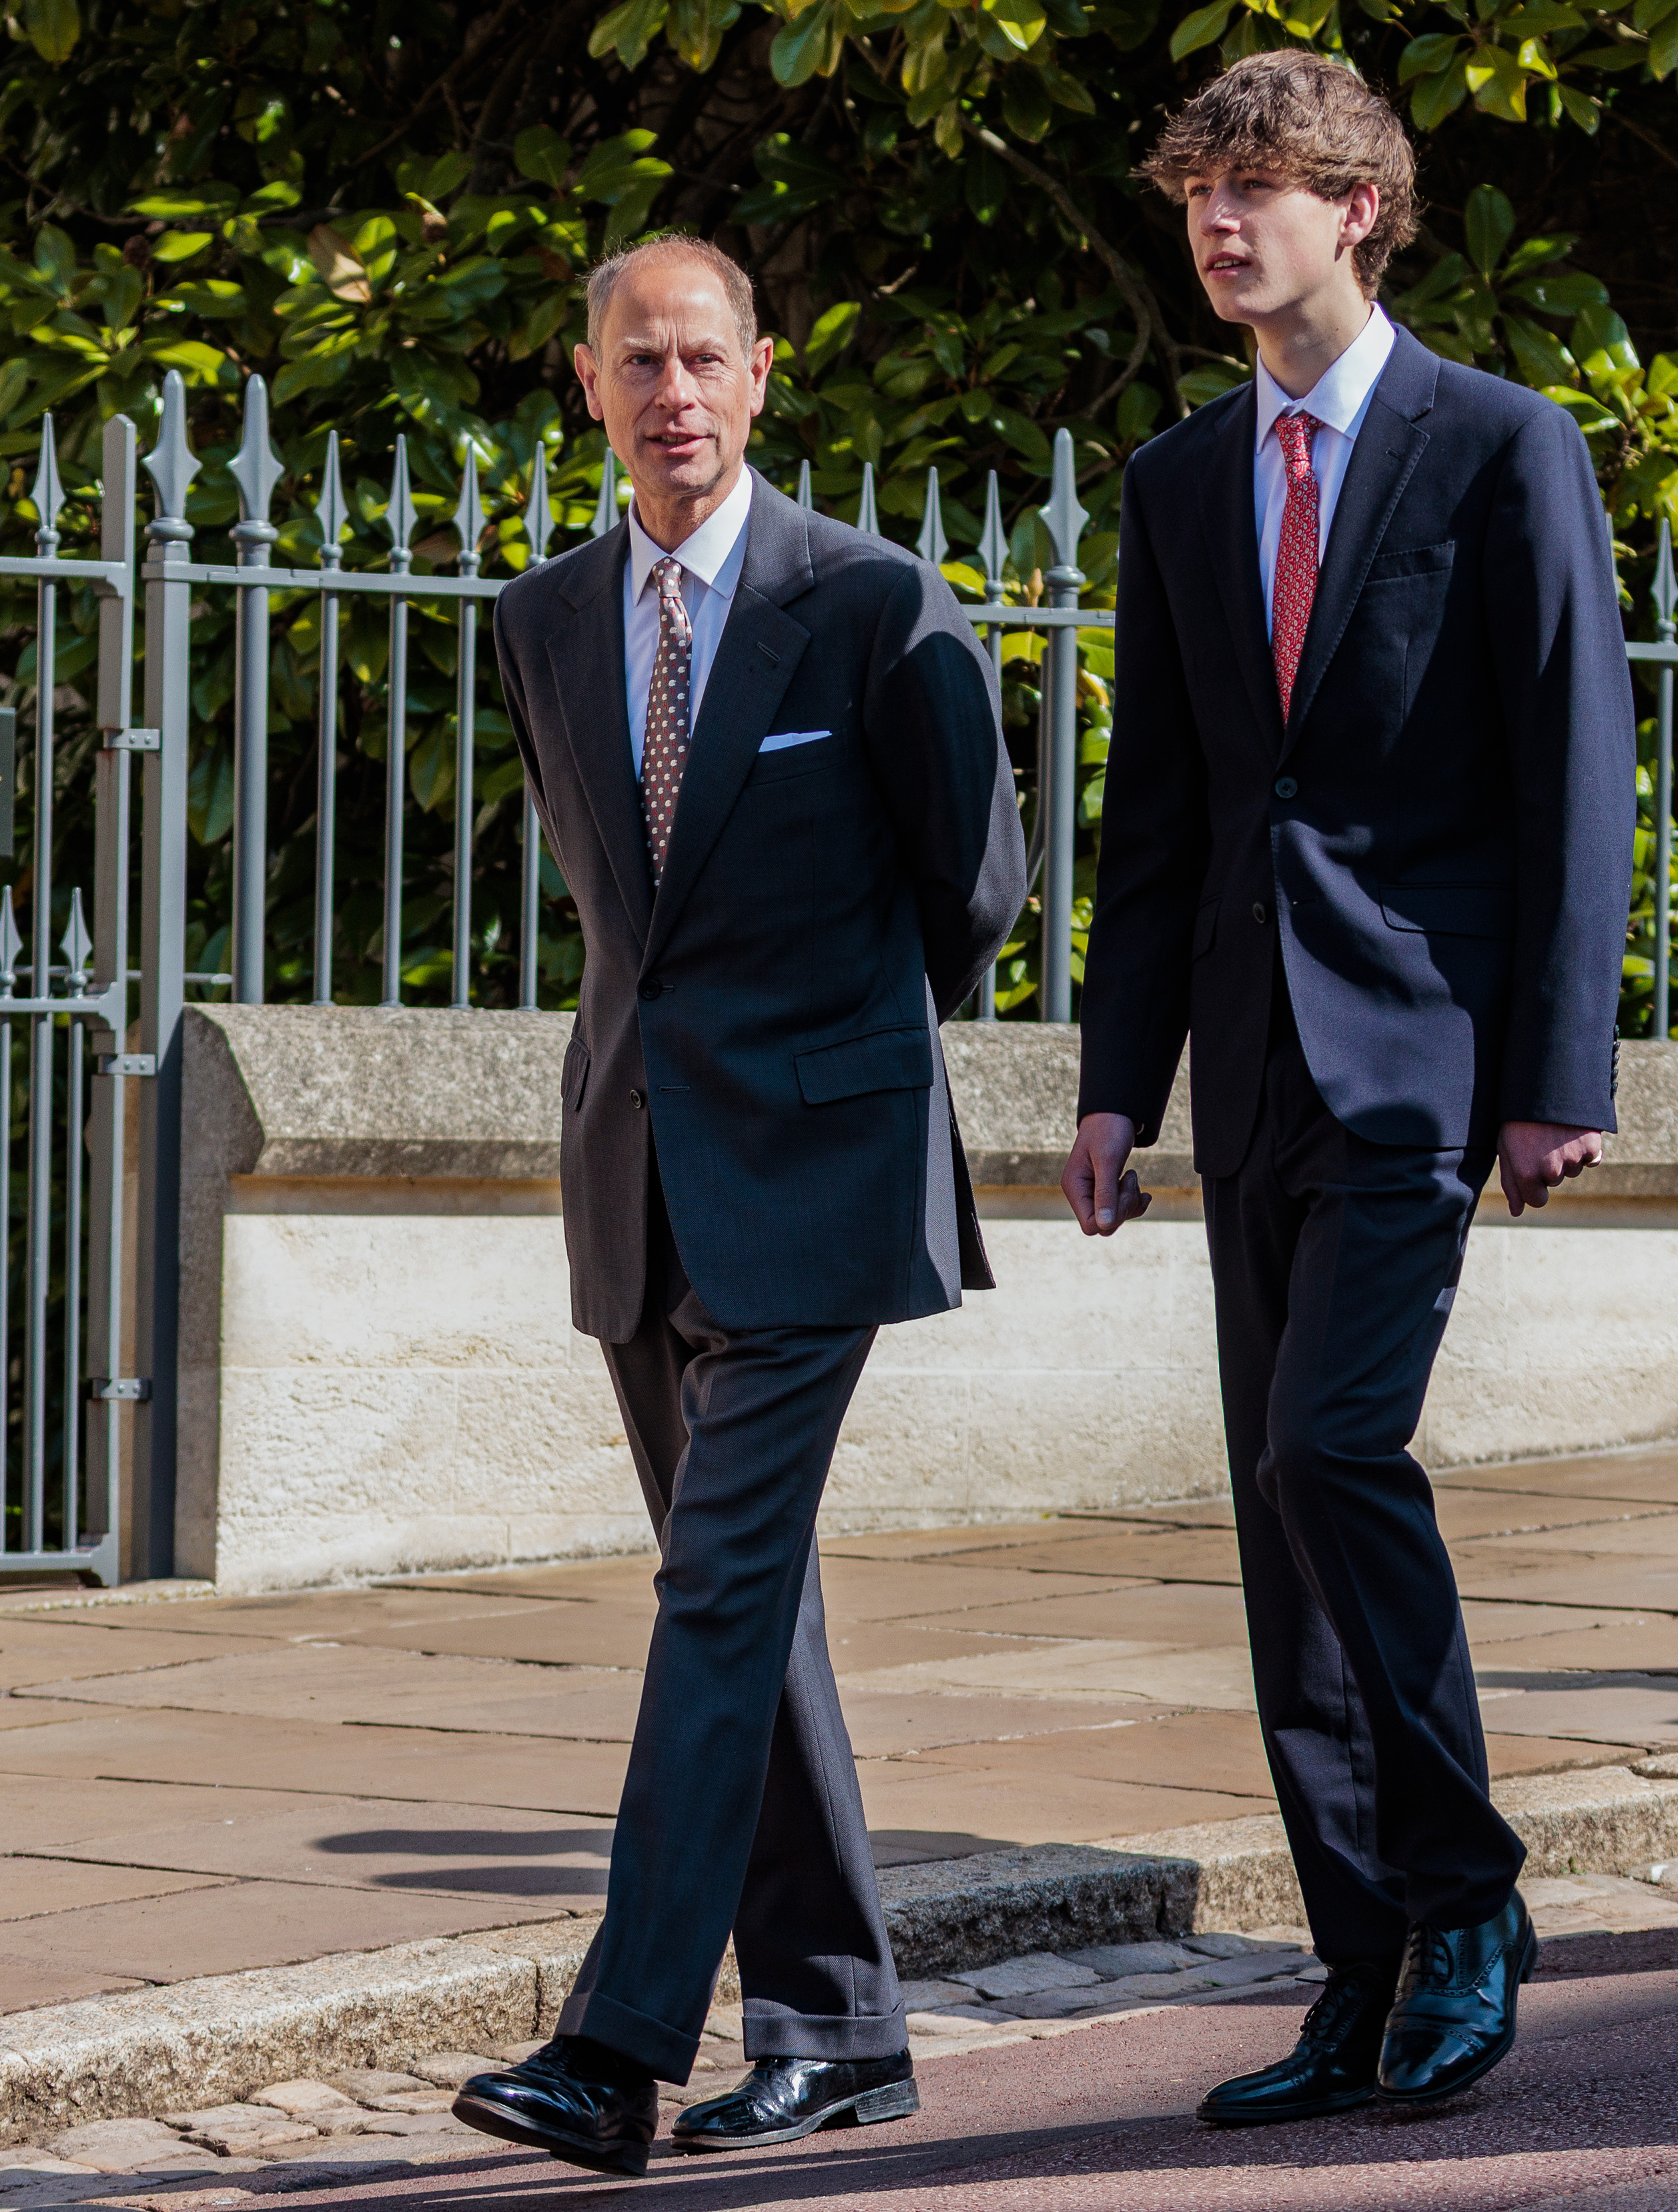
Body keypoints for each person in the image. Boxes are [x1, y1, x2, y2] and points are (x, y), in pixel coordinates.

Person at [1061, 51, 1629, 2126]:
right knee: (1274, 1528)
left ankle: (1468, 1901)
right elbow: (1166, 810)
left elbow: (1578, 767)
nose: (1220, 223)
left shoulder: (1501, 450)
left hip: (1427, 1050)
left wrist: (1560, 1070)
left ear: (1362, 207)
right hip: (1247, 1061)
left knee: (1334, 1452)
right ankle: (1361, 1957)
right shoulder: (1182, 482)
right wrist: (1121, 1081)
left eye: (1260, 187)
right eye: (1198, 193)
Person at [450, 236, 1025, 2177]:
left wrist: (835, 1060)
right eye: (641, 362)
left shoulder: (867, 600)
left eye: (706, 358)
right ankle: (842, 2027)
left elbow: (974, 884)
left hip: (825, 1170)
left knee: (709, 1595)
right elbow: (624, 915)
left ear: (764, 377)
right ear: (590, 386)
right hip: (637, 1172)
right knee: (746, 1609)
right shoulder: (539, 620)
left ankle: (616, 2045)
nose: (674, 392)